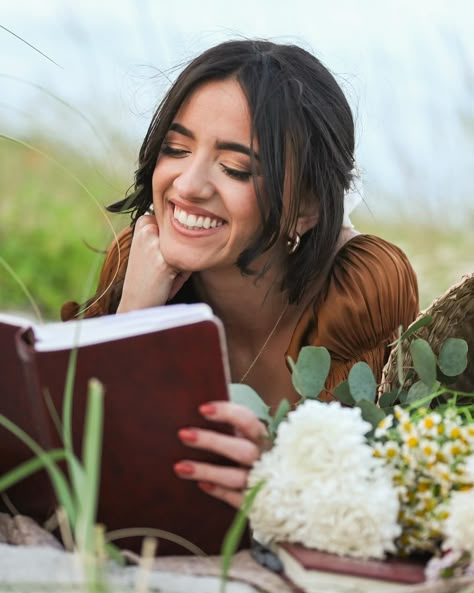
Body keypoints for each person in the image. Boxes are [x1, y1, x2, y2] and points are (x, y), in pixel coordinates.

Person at [62, 39, 419, 510]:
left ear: (308, 206)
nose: (187, 186)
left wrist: (282, 477)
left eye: (234, 169)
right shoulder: (139, 261)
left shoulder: (361, 286)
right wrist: (133, 320)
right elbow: (67, 451)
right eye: (176, 149)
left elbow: (366, 478)